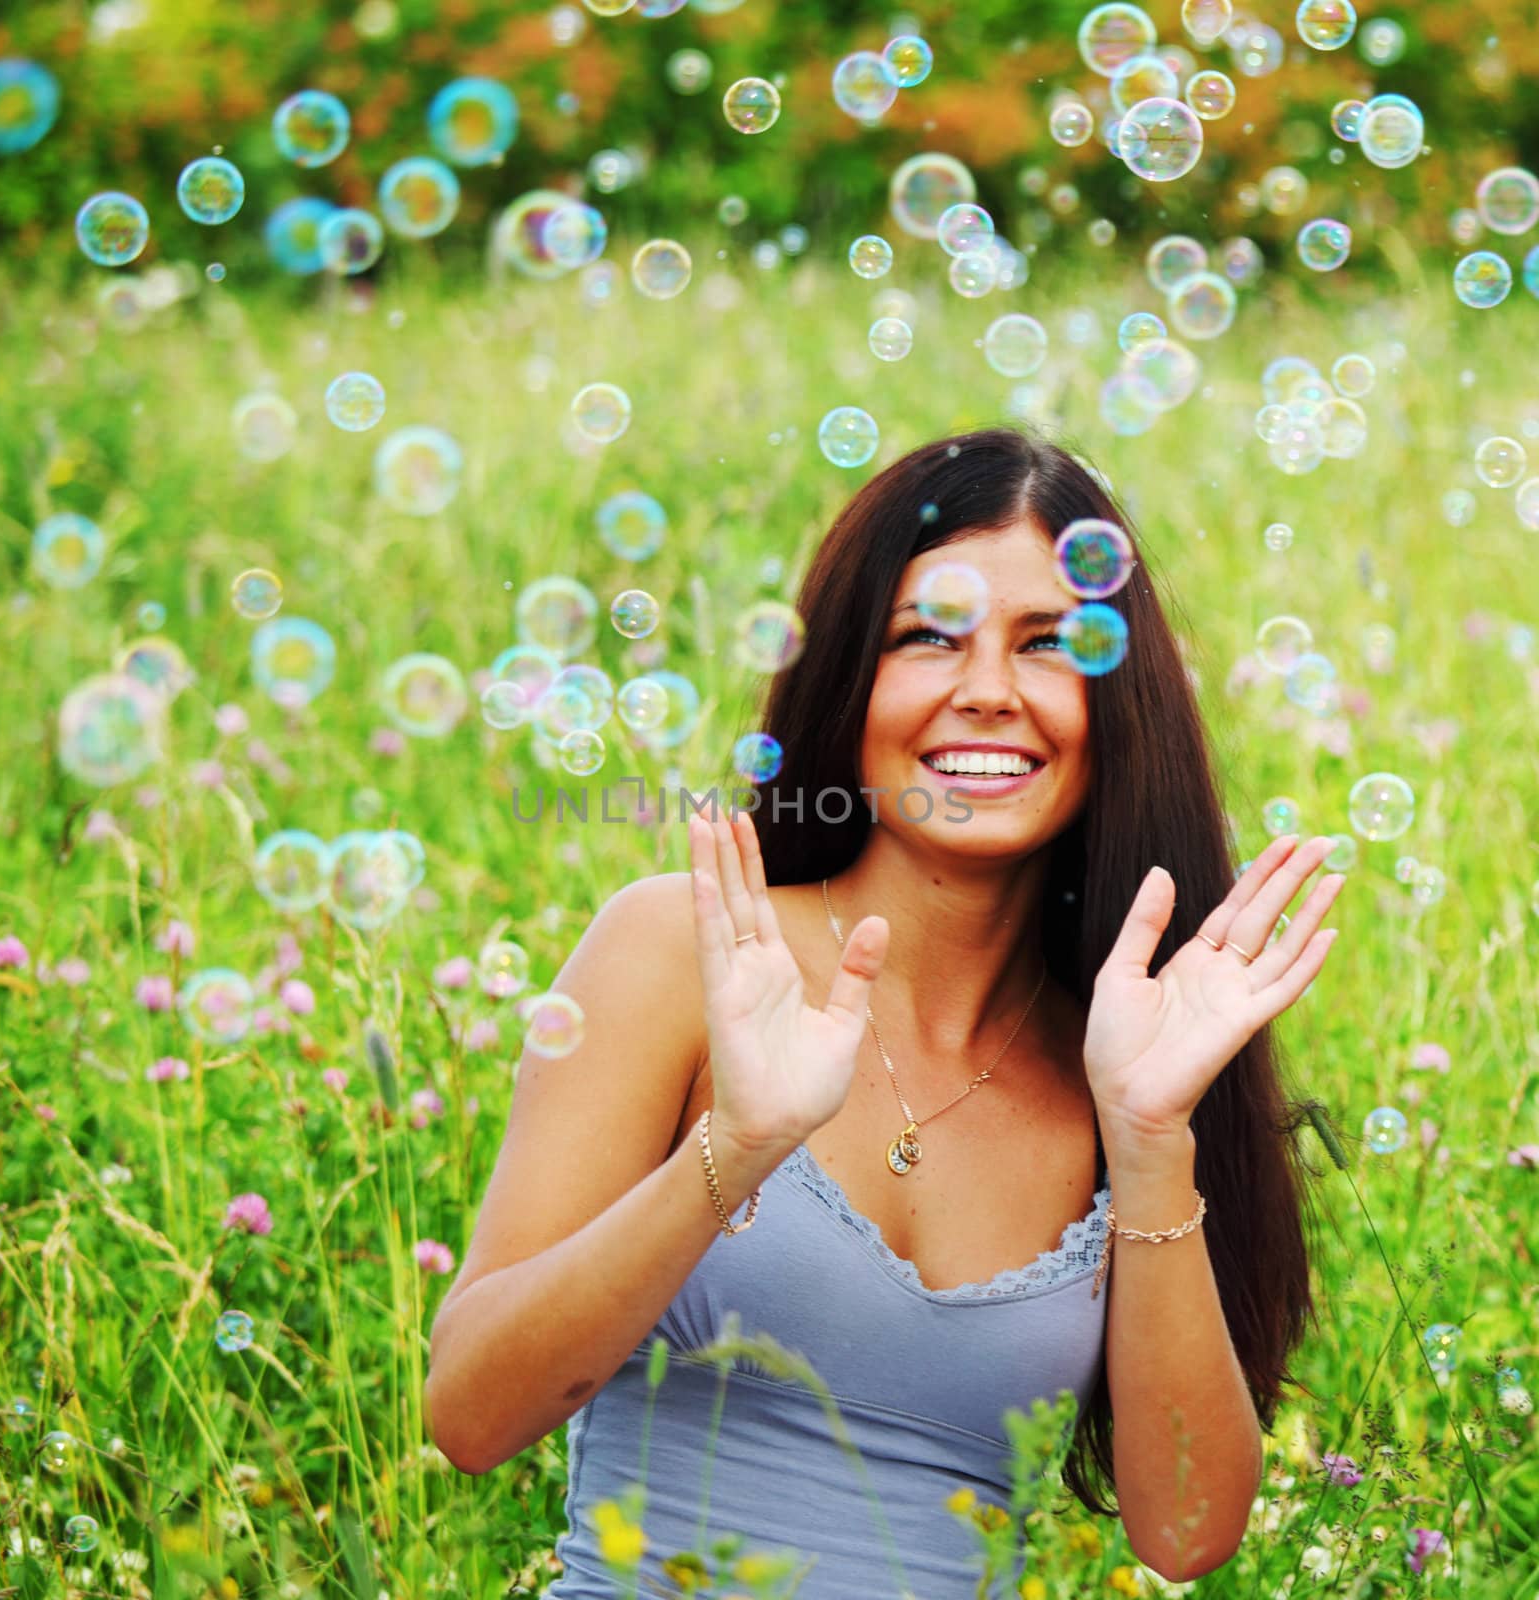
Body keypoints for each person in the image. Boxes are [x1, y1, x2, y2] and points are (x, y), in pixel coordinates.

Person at [424, 428, 1344, 1598]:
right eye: (928, 637)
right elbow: (470, 1411)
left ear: (1116, 703)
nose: (987, 692)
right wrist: (736, 1147)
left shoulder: (1123, 1055)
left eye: (1050, 644)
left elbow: (1187, 1532)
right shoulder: (683, 951)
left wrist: (1152, 1138)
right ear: (850, 680)